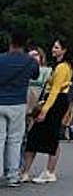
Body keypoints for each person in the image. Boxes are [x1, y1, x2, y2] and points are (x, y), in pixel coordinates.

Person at [20, 38, 73, 183]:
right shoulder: (60, 66)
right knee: (40, 136)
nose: (53, 49)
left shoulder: (62, 67)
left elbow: (55, 90)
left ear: (64, 50)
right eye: (54, 46)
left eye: (57, 47)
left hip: (55, 102)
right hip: (55, 101)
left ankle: (48, 171)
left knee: (48, 136)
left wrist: (44, 110)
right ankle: (27, 171)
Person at [1, 31, 38, 187]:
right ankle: (12, 175)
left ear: (10, 42)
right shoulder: (30, 62)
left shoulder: (1, 59)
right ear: (25, 43)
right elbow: (35, 76)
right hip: (18, 103)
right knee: (15, 140)